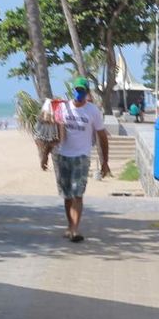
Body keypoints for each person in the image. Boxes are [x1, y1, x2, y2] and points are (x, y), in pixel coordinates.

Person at [53, 77, 111, 243]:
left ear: (87, 92)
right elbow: (54, 131)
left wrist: (105, 161)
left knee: (78, 194)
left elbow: (102, 136)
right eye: (77, 90)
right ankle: (70, 226)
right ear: (73, 90)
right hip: (64, 155)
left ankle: (75, 230)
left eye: (82, 90)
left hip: (82, 156)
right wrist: (46, 153)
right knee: (67, 195)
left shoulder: (93, 111)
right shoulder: (64, 108)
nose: (79, 93)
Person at [33, 98, 61, 171]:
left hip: (51, 138)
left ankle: (47, 166)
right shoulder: (41, 120)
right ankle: (43, 166)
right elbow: (37, 128)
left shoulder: (54, 119)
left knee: (50, 152)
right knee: (44, 154)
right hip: (41, 138)